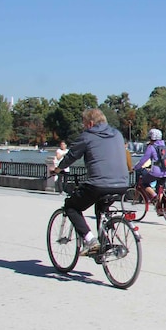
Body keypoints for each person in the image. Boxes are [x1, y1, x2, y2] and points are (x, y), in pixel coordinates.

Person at [49, 109, 130, 258]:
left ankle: (90, 241)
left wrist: (57, 169)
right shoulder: (117, 134)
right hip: (123, 183)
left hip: (98, 184)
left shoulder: (88, 136)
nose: (84, 127)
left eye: (84, 124)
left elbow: (72, 156)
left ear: (91, 123)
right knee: (101, 208)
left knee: (71, 206)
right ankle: (104, 244)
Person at [134, 128, 166, 215]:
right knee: (160, 187)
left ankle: (155, 197)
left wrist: (135, 168)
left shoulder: (151, 147)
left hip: (157, 172)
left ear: (151, 138)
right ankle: (160, 207)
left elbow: (143, 159)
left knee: (144, 183)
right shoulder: (164, 146)